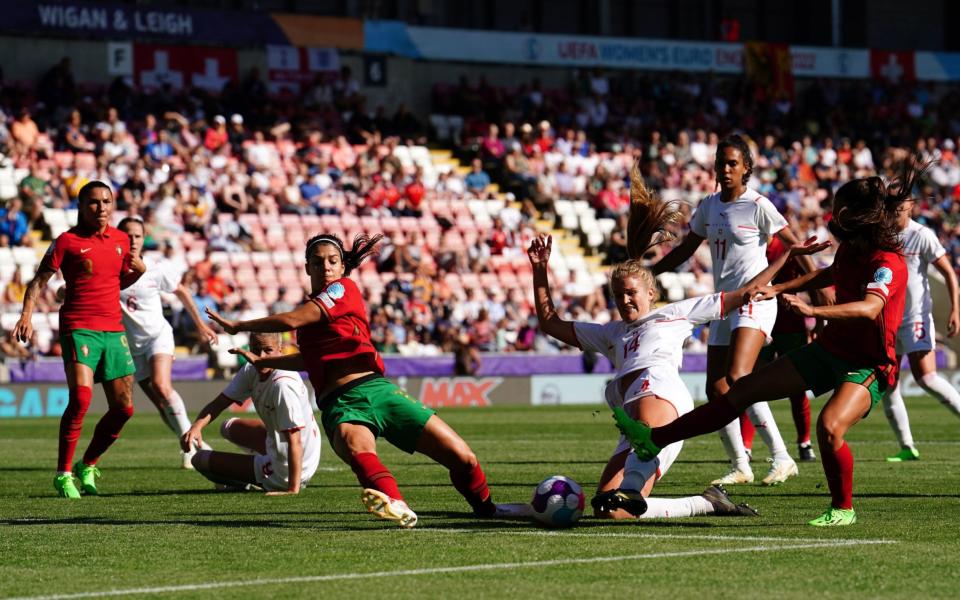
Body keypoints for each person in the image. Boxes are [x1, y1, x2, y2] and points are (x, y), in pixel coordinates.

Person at [616, 162, 923, 526]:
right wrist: (778, 288)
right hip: (829, 351)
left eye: (839, 209)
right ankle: (656, 439)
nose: (832, 215)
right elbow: (829, 273)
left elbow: (872, 307)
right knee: (741, 389)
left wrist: (809, 307)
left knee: (829, 427)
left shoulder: (888, 261)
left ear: (856, 216)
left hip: (869, 364)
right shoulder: (852, 250)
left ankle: (842, 509)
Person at [529, 164, 828, 519]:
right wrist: (540, 272)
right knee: (607, 509)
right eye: (618, 294)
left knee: (618, 502)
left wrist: (786, 257)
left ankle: (764, 459)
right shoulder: (610, 333)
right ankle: (705, 503)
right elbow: (550, 322)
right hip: (632, 425)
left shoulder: (677, 313)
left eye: (631, 293)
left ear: (651, 292)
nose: (624, 300)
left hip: (661, 404)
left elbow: (747, 292)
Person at [205, 233, 513, 528]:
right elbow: (310, 359)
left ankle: (488, 509)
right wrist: (266, 360)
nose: (325, 267)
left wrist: (238, 326)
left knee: (464, 459)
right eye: (317, 261)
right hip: (341, 404)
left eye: (332, 261)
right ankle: (397, 505)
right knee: (358, 450)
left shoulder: (343, 290)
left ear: (341, 267)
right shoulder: (311, 322)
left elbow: (292, 319)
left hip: (378, 390)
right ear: (307, 267)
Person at [651, 134, 814, 486]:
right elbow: (684, 250)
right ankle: (741, 464)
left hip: (756, 300)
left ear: (746, 169)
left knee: (740, 378)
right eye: (720, 163)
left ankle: (782, 456)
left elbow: (795, 247)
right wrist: (651, 271)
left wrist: (819, 286)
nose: (724, 169)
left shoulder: (759, 205)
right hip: (723, 303)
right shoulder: (709, 206)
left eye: (732, 164)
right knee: (716, 387)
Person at [13, 181, 146, 498]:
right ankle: (64, 474)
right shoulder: (66, 241)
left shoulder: (121, 240)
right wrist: (26, 316)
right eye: (94, 202)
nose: (101, 208)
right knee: (82, 399)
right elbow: (38, 282)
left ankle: (89, 464)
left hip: (113, 329)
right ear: (81, 206)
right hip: (78, 326)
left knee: (124, 409)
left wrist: (139, 273)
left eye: (107, 201)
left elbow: (116, 281)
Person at [117, 217, 219, 468]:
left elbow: (182, 291)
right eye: (127, 235)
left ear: (143, 239)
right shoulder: (108, 270)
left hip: (157, 336)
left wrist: (200, 324)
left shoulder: (155, 268)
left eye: (137, 236)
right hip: (131, 346)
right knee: (160, 404)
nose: (132, 240)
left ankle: (193, 447)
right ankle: (188, 442)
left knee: (162, 387)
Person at [181, 332, 321, 494]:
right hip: (281, 444)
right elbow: (220, 402)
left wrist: (292, 489)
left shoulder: (283, 385)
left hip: (289, 467)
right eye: (255, 349)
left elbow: (295, 440)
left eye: (268, 350)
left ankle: (246, 482)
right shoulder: (251, 369)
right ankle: (255, 469)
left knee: (199, 460)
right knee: (228, 426)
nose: (260, 356)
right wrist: (196, 426)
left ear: (280, 350)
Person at [881, 195, 960, 461]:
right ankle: (906, 446)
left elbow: (949, 272)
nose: (895, 213)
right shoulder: (883, 235)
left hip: (916, 318)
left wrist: (955, 309)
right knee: (888, 383)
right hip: (890, 319)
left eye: (900, 208)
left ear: (911, 207)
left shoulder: (922, 235)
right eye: (891, 208)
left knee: (926, 377)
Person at [740, 235, 816, 462]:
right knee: (749, 383)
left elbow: (812, 281)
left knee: (797, 387)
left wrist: (818, 319)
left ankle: (804, 443)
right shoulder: (752, 247)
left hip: (790, 326)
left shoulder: (790, 250)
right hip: (759, 324)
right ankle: (746, 446)